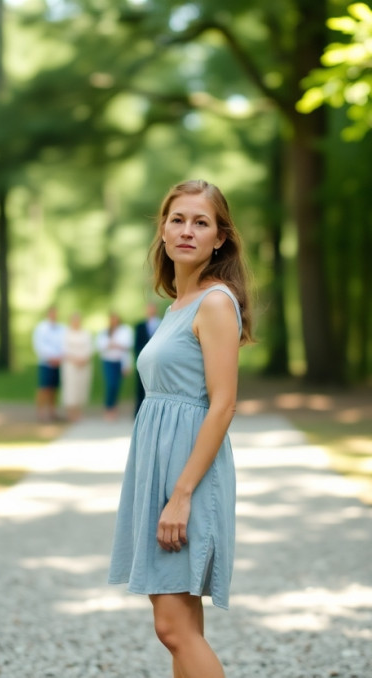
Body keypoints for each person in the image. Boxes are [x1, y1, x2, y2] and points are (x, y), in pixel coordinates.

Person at [108, 179, 253, 678]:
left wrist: (181, 493)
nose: (187, 230)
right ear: (163, 232)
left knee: (174, 628)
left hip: (188, 473)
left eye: (201, 222)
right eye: (178, 219)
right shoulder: (176, 306)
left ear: (220, 238)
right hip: (163, 468)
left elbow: (223, 405)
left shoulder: (215, 302)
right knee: (180, 628)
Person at [96, 312, 134, 421]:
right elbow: (100, 346)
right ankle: (108, 408)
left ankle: (114, 407)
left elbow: (127, 347)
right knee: (110, 384)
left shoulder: (125, 330)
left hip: (120, 361)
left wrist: (127, 365)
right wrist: (114, 345)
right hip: (108, 361)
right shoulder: (104, 332)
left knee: (117, 385)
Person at [32, 306, 65, 423]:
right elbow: (39, 346)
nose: (54, 315)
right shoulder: (41, 328)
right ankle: (40, 412)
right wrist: (51, 358)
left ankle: (52, 411)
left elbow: (65, 344)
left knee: (54, 388)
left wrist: (60, 358)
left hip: (59, 362)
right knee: (44, 388)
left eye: (55, 313)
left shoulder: (62, 328)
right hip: (46, 362)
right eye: (52, 313)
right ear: (48, 314)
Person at [60, 312, 94, 422]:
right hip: (70, 365)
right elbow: (64, 350)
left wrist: (84, 359)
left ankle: (79, 411)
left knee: (81, 386)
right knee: (71, 387)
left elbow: (90, 348)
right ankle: (70, 412)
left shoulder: (85, 334)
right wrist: (75, 360)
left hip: (84, 364)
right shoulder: (66, 334)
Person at [133, 302, 161, 416]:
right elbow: (137, 344)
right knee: (140, 386)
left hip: (158, 360)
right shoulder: (140, 326)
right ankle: (139, 411)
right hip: (144, 359)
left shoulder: (161, 323)